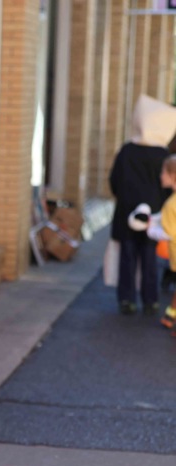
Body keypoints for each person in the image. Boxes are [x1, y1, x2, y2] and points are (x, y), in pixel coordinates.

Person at [109, 94, 176, 315]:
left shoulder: (127, 150)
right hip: (154, 216)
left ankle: (126, 299)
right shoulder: (162, 154)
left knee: (127, 259)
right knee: (149, 259)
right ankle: (150, 299)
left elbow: (114, 181)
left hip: (126, 213)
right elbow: (168, 190)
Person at [157, 155, 176, 329]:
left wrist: (149, 229)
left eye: (164, 172)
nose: (160, 175)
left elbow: (168, 232)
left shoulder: (171, 204)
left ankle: (171, 316)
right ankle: (171, 315)